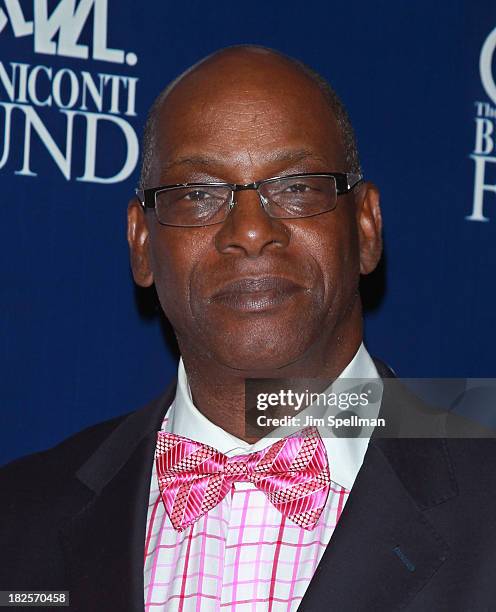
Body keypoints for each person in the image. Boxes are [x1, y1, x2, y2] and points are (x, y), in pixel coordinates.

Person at [1, 45, 495, 612]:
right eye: (197, 195)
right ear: (141, 242)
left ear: (365, 226)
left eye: (296, 187)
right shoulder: (18, 522)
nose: (252, 231)